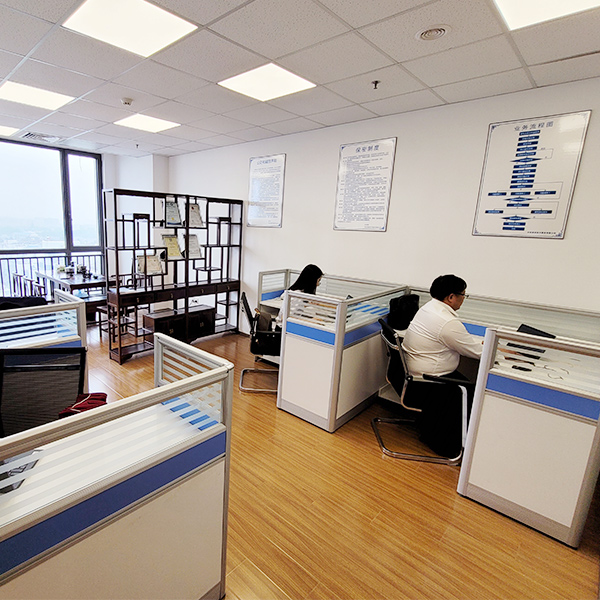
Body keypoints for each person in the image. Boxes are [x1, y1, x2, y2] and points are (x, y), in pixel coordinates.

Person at [402, 274, 482, 379]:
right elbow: (478, 353)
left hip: (412, 371)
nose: (463, 298)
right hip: (430, 378)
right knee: (472, 387)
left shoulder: (427, 308)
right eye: (463, 295)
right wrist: (496, 349)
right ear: (451, 297)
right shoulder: (448, 322)